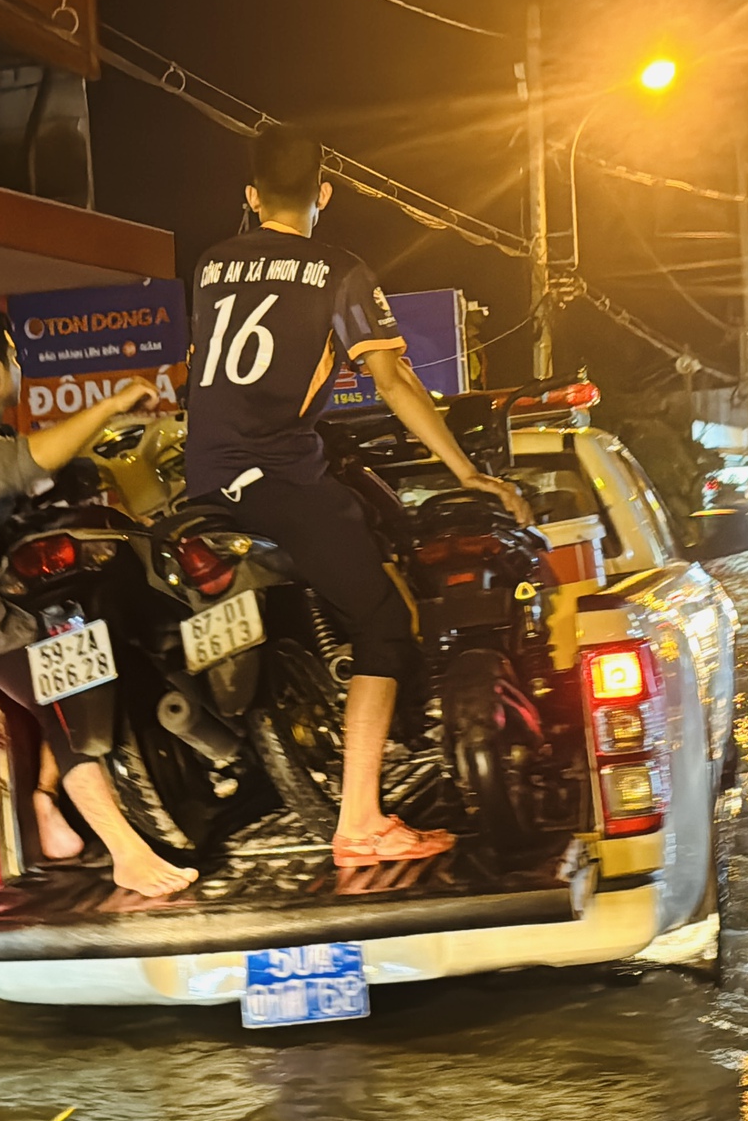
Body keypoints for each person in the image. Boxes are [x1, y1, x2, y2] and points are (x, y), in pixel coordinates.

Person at [184, 123, 531, 868]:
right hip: (278, 474)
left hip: (205, 478)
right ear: (325, 194)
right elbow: (394, 379)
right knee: (383, 622)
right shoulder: (339, 270)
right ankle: (360, 821)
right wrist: (466, 471)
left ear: (250, 196)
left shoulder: (211, 265)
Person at [0, 301, 181, 895]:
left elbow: (35, 470)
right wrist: (111, 403)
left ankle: (50, 813)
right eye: (15, 357)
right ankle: (125, 852)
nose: (19, 367)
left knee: (81, 655)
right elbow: (20, 465)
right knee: (70, 699)